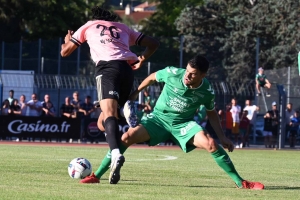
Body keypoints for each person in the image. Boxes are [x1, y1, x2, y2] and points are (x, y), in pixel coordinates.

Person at [80, 55, 264, 190]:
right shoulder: (173, 73)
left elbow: (212, 113)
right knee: (127, 136)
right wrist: (135, 93)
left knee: (211, 144)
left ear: (203, 75)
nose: (187, 76)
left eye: (193, 74)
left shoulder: (207, 90)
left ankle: (242, 183)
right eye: (188, 71)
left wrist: (223, 136)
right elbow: (152, 77)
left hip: (183, 124)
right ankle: (96, 176)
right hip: (158, 120)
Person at [60, 6, 159, 184]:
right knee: (101, 122)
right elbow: (154, 43)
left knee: (110, 115)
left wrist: (67, 40)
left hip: (107, 69)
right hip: (127, 71)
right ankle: (123, 112)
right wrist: (142, 59)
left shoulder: (89, 26)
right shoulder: (123, 28)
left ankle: (115, 153)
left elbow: (65, 52)